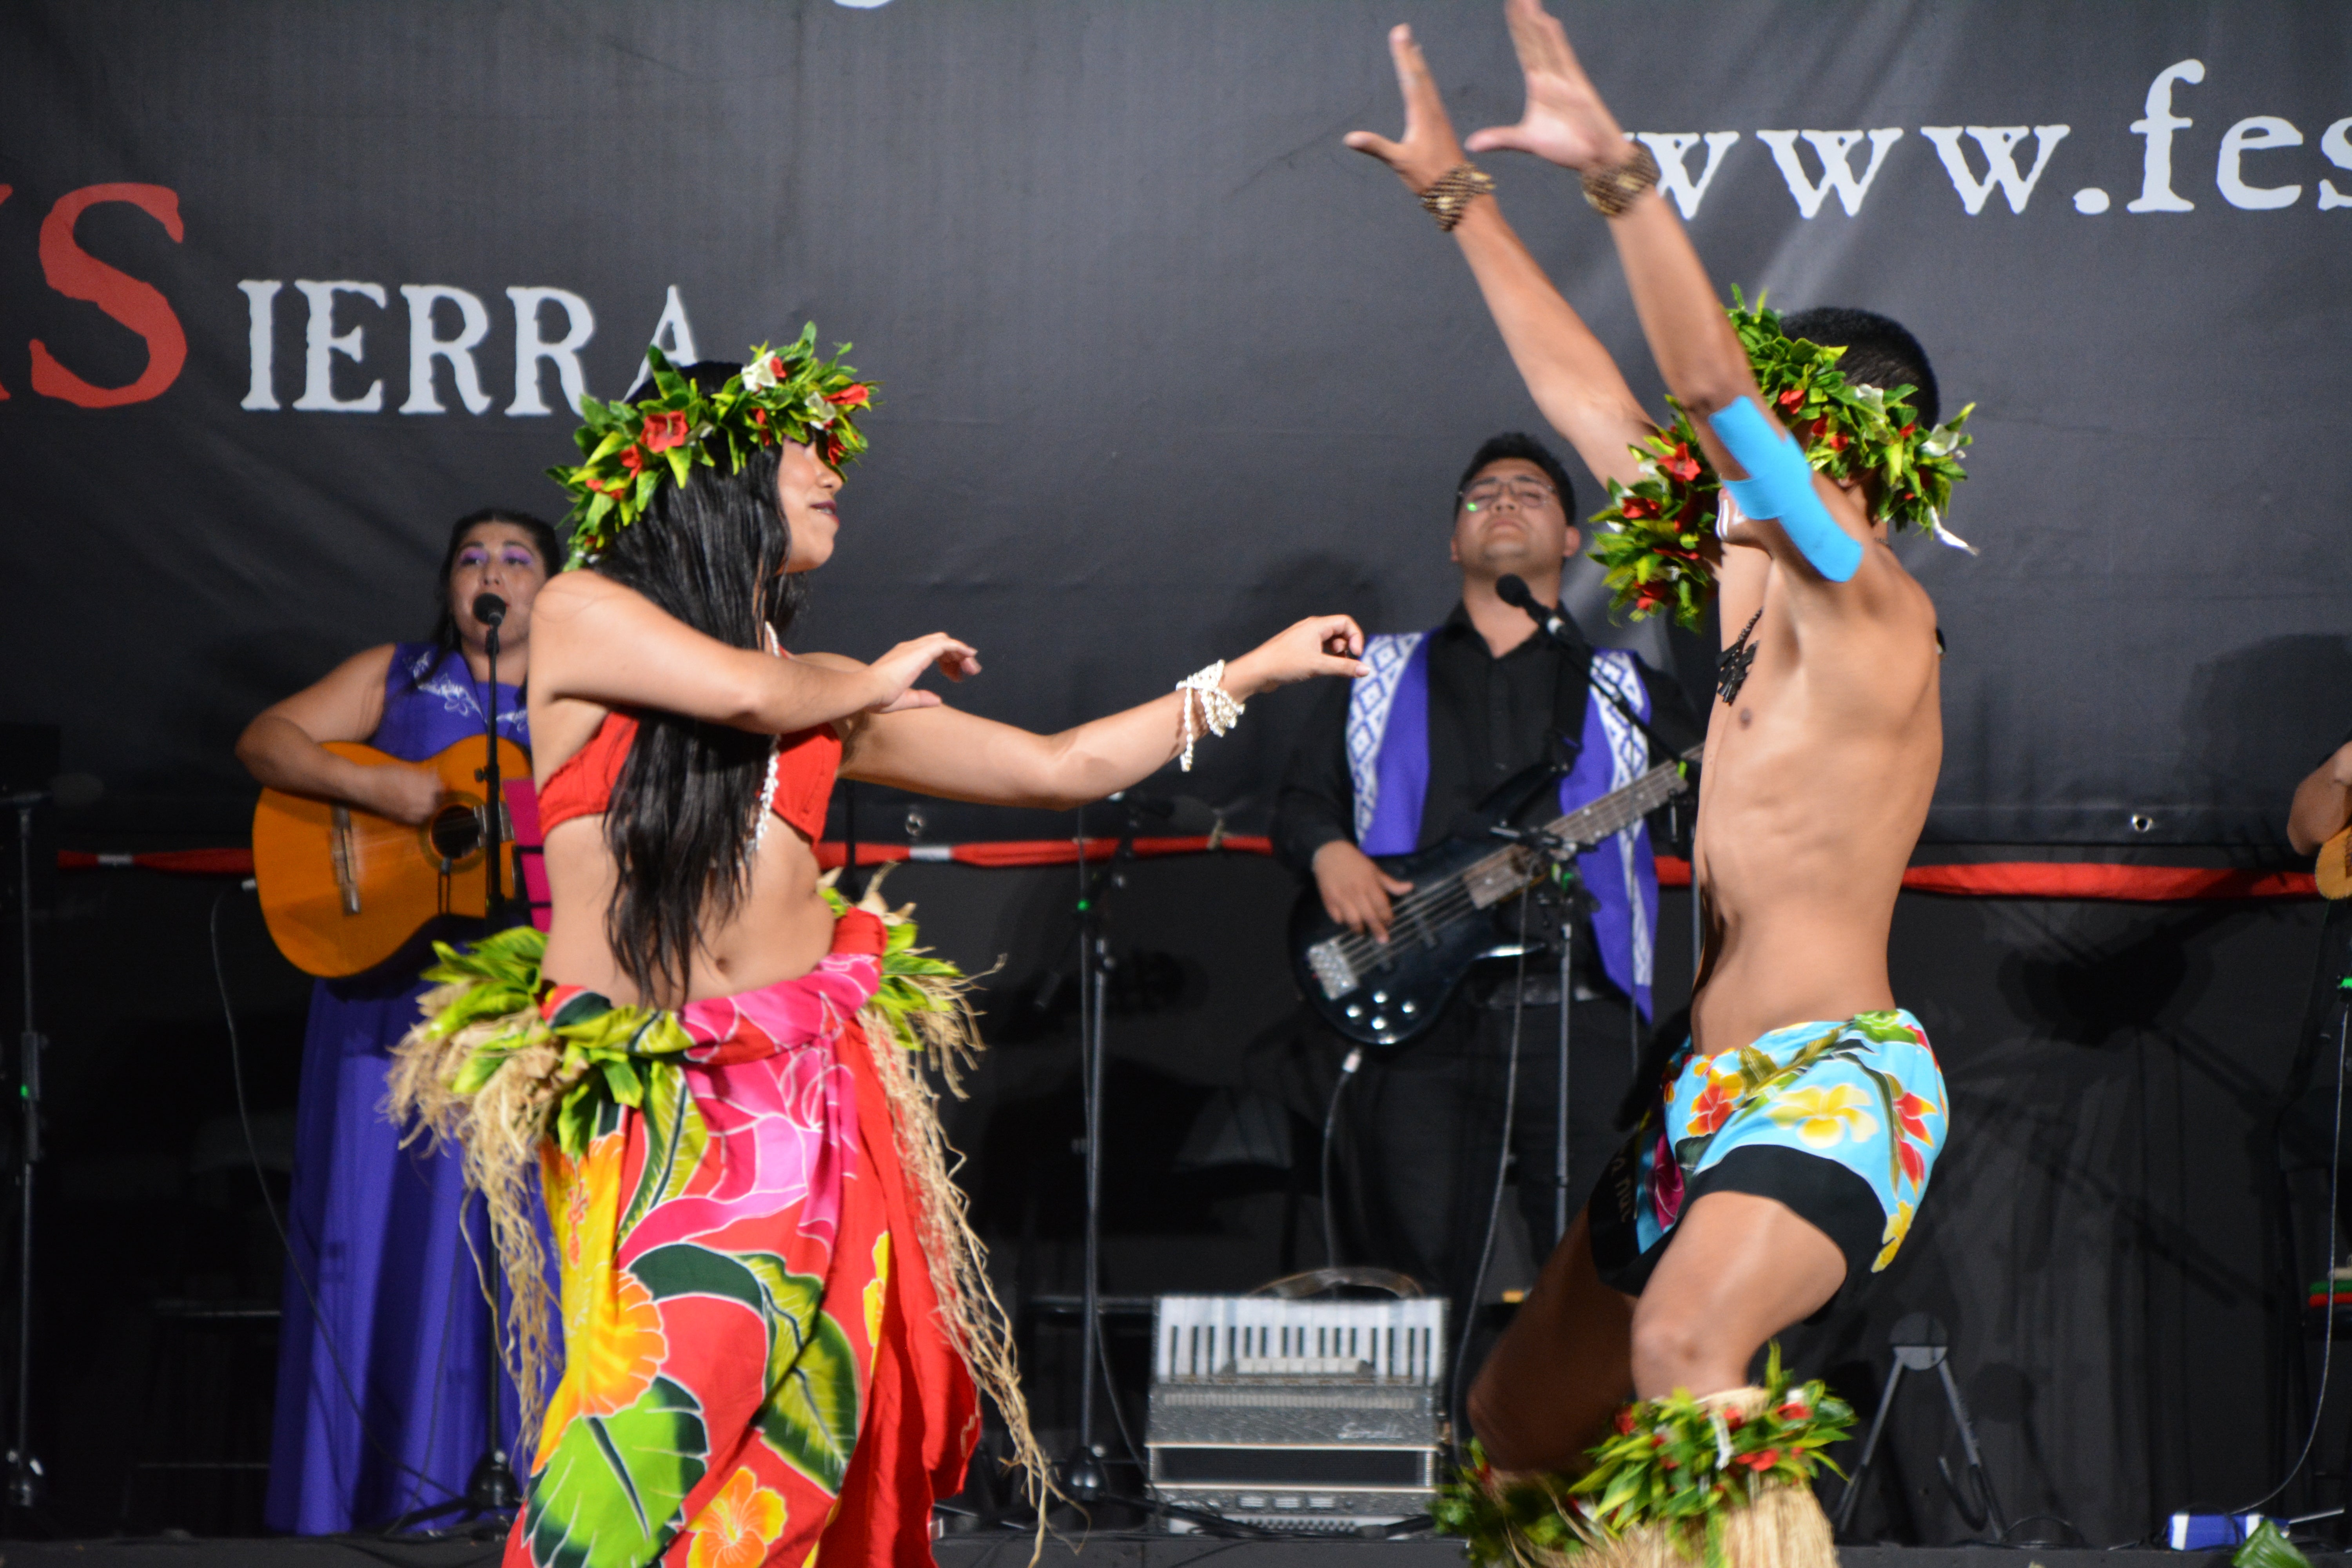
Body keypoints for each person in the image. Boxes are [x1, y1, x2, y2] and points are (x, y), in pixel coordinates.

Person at [388, 334, 1367, 1568]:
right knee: (662, 1413)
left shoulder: (829, 691)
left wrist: (1252, 675)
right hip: (655, 1098)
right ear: (718, 473)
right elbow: (749, 699)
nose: (833, 473)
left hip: (809, 1093)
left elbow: (1057, 767)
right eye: (804, 451)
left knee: (807, 1432)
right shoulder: (587, 612)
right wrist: (873, 681)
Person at [1348, 3, 1964, 1554]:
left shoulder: (1876, 612)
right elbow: (1591, 400)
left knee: (1688, 1348)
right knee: (1515, 1428)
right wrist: (1460, 203)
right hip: (1698, 1099)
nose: (1712, 471)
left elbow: (1705, 392)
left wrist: (1621, 180)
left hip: (1833, 1088)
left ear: (1845, 457)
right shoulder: (1749, 580)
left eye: (1770, 437)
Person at [1269, 428, 1699, 1323]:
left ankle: (1587, 1422)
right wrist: (1330, 852)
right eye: (1484, 494)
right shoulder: (1375, 674)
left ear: (1573, 539)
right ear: (1453, 542)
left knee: (1601, 1282)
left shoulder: (1626, 687)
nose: (1504, 501)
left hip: (1584, 1022)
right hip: (1420, 1021)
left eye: (1531, 493)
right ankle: (1430, 1423)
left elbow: (1722, 798)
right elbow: (1302, 802)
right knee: (1410, 1290)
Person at [237, 508, 563, 1533]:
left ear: (553, 588)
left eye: (517, 557)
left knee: (518, 1243)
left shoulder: (580, 698)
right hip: (386, 1004)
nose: (492, 570)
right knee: (381, 1235)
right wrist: (390, 785)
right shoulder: (399, 675)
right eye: (472, 557)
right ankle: (370, 1500)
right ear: (449, 585)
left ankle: (525, 1498)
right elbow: (267, 740)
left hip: (522, 1017)